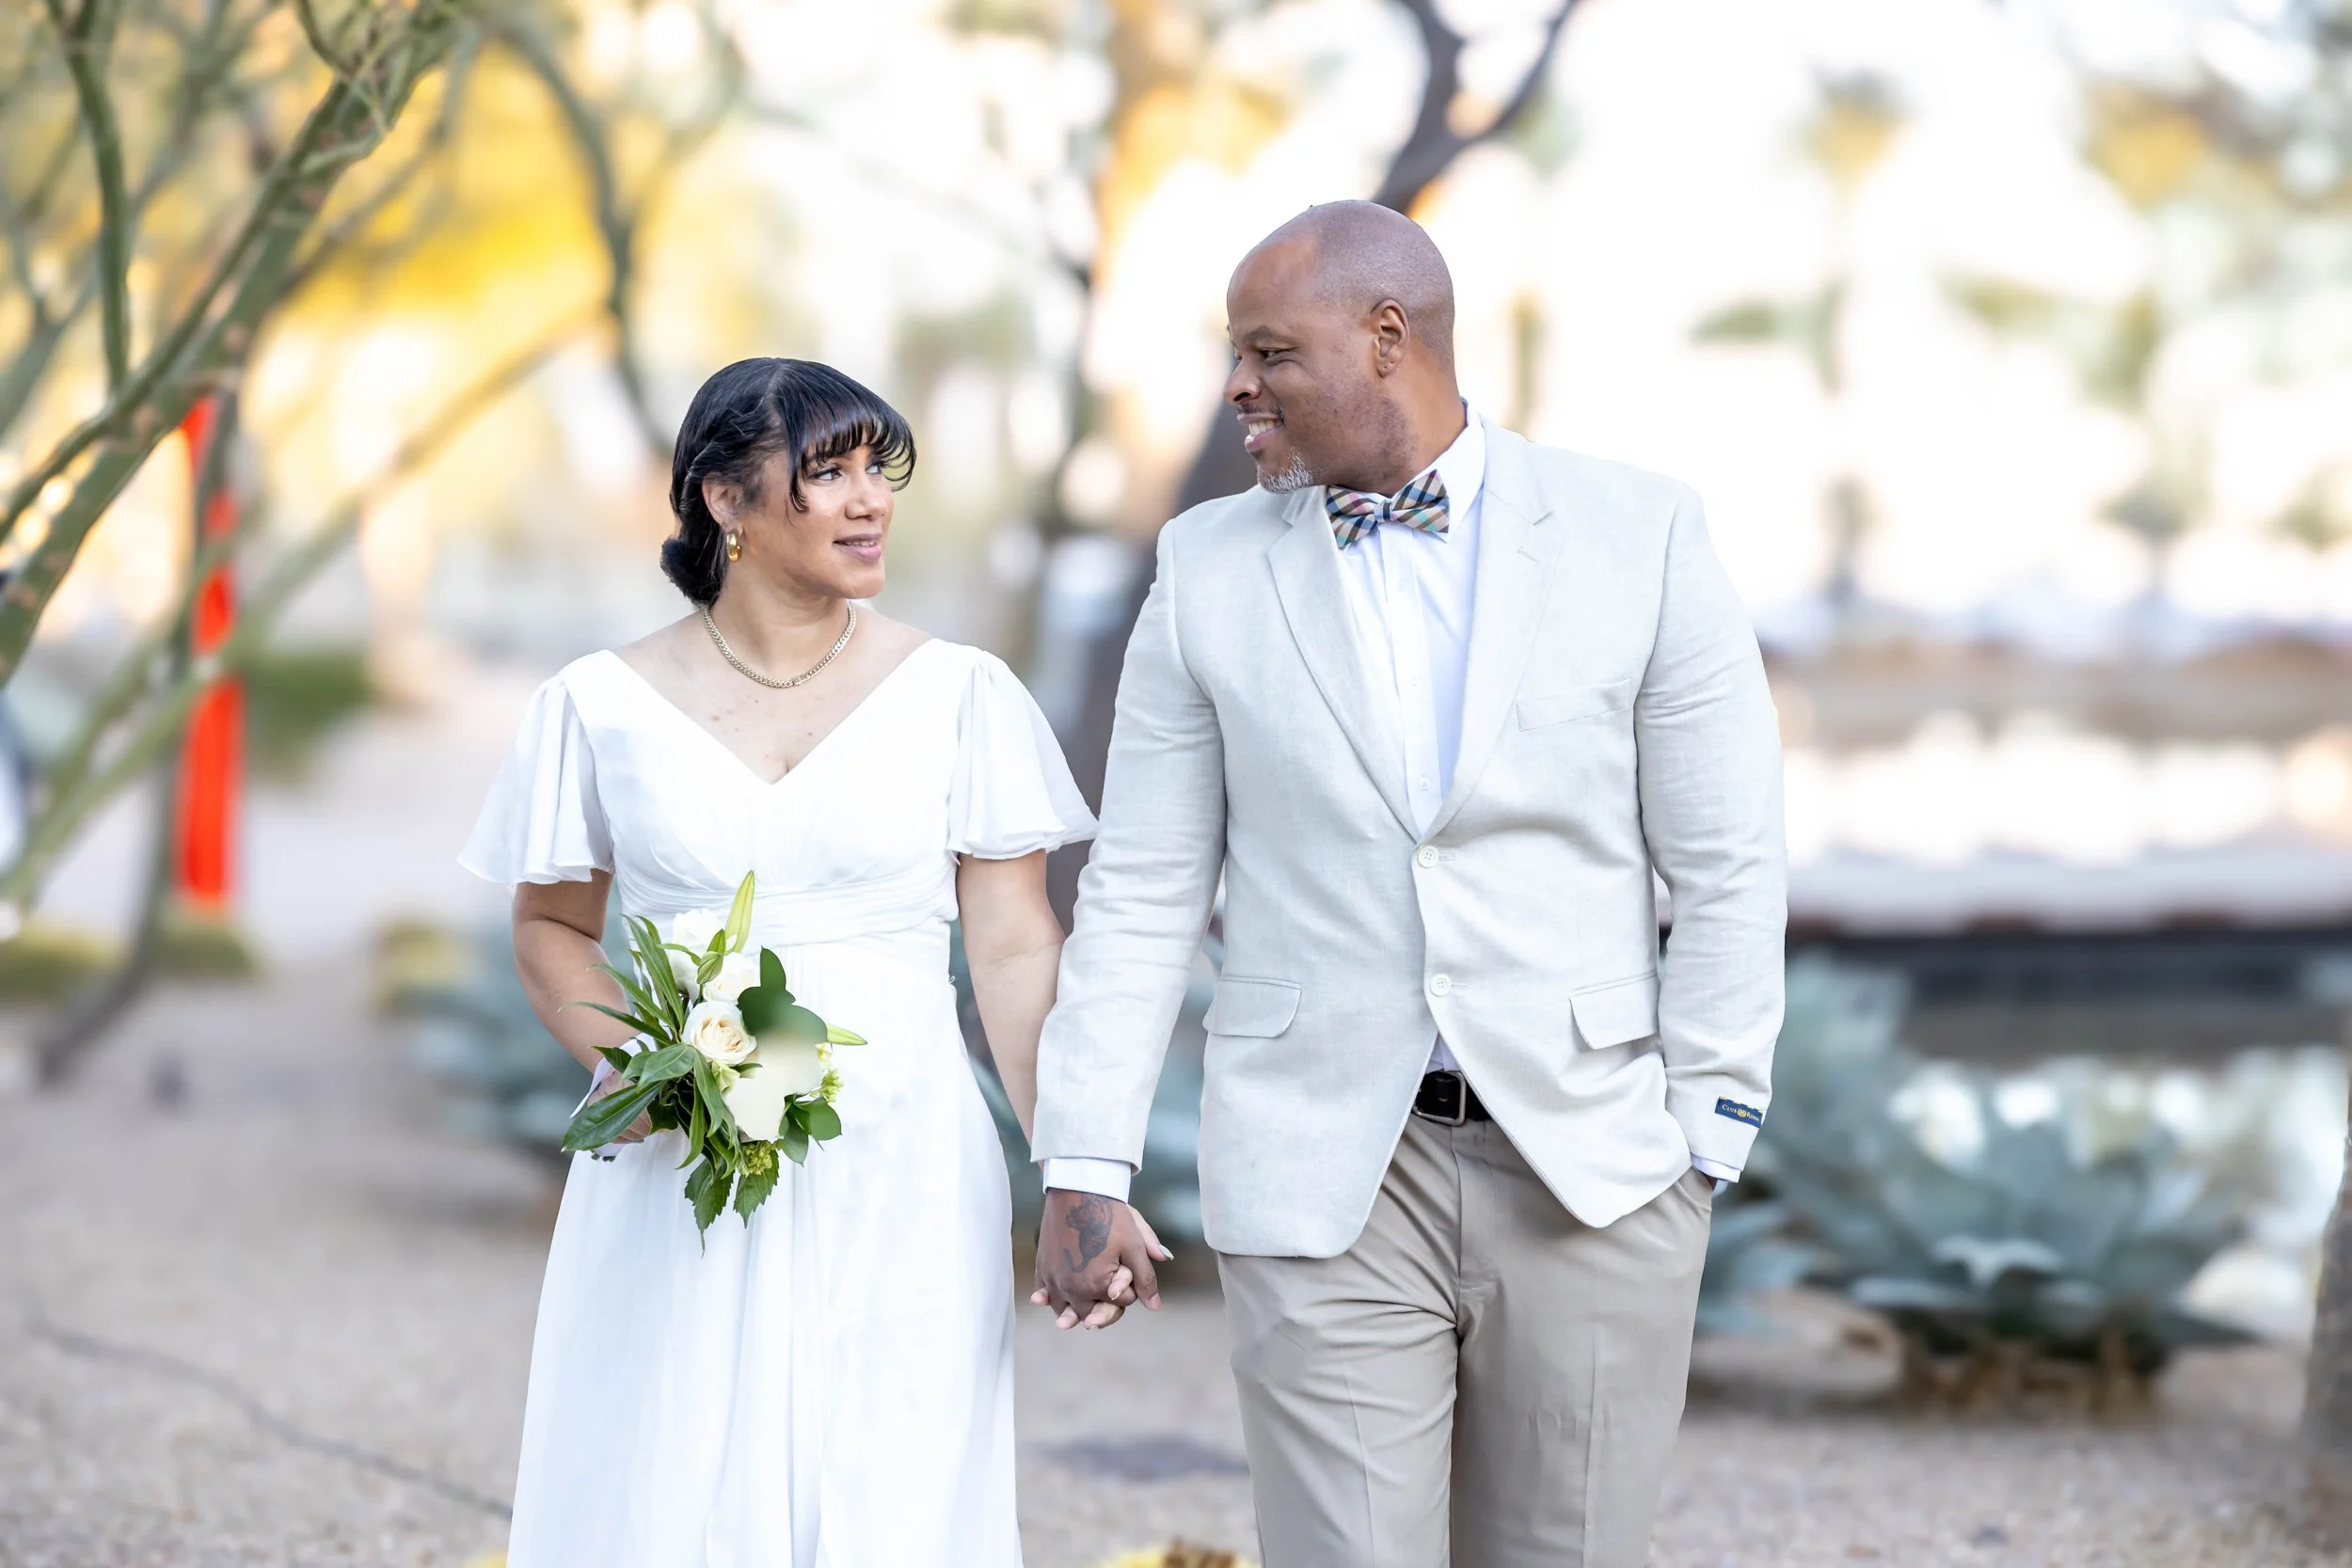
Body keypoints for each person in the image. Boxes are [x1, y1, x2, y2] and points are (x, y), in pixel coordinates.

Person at [1030, 202, 1787, 1568]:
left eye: (1269, 349)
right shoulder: (1205, 568)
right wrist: (1087, 1159)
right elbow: (1141, 886)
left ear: (1389, 338)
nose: (1236, 385)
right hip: (1321, 1167)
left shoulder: (1644, 534)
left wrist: (1706, 1136)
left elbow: (1728, 862)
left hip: (1595, 1172)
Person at [461, 358, 1113, 1566]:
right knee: (662, 1467)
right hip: (675, 1162)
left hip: (902, 1154)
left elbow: (1017, 946)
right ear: (724, 500)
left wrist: (1077, 1167)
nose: (870, 500)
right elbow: (551, 925)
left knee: (897, 1473)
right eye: (830, 472)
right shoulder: (597, 704)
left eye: (881, 470)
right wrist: (656, 1072)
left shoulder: (959, 693)